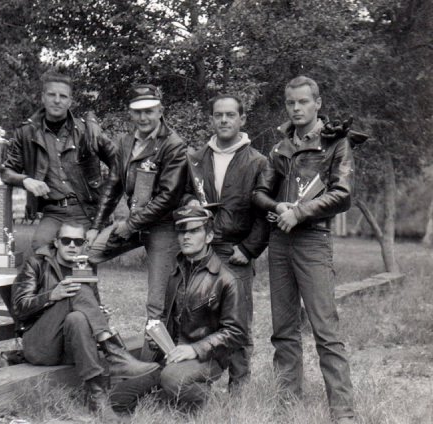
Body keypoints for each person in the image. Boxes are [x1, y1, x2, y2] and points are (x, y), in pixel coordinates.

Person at [252, 76, 356, 424]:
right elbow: (260, 193)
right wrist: (280, 208)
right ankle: (287, 404)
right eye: (290, 103)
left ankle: (343, 412)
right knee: (283, 328)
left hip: (313, 240)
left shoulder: (336, 144)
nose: (296, 108)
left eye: (303, 102)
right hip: (280, 240)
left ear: (318, 103)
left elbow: (342, 195)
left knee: (325, 330)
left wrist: (300, 212)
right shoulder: (280, 147)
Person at [12, 222, 159, 420]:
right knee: (78, 289)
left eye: (78, 241)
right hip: (40, 345)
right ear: (56, 242)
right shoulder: (36, 263)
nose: (72, 245)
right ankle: (115, 354)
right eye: (66, 241)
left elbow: (90, 308)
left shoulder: (85, 267)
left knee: (79, 317)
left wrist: (100, 314)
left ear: (84, 245)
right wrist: (51, 296)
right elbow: (19, 307)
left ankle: (98, 400)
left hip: (72, 346)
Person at [110, 205, 247, 410]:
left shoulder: (227, 280)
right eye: (182, 231)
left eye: (194, 231)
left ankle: (213, 404)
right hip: (172, 355)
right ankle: (170, 398)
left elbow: (236, 333)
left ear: (209, 237)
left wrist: (194, 349)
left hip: (207, 359)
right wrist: (157, 337)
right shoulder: (176, 272)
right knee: (119, 396)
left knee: (171, 378)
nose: (186, 237)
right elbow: (169, 317)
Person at [182, 94, 268, 389]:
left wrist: (249, 248)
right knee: (197, 315)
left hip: (235, 252)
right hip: (202, 251)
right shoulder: (195, 159)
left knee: (238, 323)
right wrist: (192, 207)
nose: (224, 120)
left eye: (230, 115)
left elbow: (264, 213)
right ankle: (197, 381)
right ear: (211, 119)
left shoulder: (257, 161)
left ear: (242, 119)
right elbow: (182, 197)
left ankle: (239, 390)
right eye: (218, 115)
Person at [86, 84, 187, 328]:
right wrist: (96, 226)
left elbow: (169, 197)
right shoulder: (124, 142)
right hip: (134, 223)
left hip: (163, 226)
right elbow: (113, 185)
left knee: (157, 304)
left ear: (160, 110)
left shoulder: (173, 145)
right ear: (130, 114)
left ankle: (159, 359)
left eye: (149, 111)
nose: (143, 117)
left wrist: (130, 225)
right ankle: (94, 320)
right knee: (85, 256)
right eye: (137, 112)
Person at [1, 70, 115, 251]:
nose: (57, 100)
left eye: (63, 96)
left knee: (82, 260)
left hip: (84, 210)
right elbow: (5, 172)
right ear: (42, 98)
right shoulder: (25, 133)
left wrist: (104, 199)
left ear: (70, 101)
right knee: (40, 249)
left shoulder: (87, 131)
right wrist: (26, 180)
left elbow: (119, 165)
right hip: (52, 211)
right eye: (52, 94)